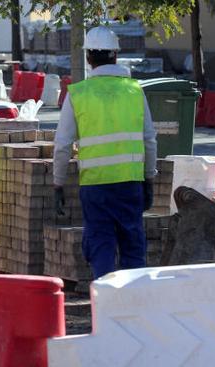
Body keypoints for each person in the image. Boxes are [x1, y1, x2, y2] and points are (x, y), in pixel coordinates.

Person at [52, 26, 157, 279]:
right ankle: (133, 303)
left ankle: (104, 305)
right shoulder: (134, 90)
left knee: (101, 247)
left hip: (95, 186)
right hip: (130, 183)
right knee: (133, 247)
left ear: (88, 58)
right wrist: (149, 178)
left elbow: (63, 144)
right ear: (116, 56)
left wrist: (58, 183)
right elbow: (149, 140)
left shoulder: (78, 94)